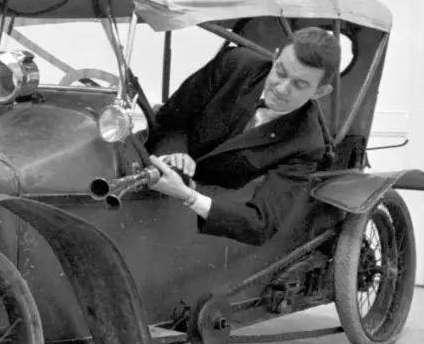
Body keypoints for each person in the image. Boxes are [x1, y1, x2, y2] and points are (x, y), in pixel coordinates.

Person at [144, 26, 341, 247]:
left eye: (299, 85)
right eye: (281, 72)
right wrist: (174, 156)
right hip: (156, 166)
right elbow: (170, 118)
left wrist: (188, 196)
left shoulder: (307, 144)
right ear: (275, 56)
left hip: (201, 219)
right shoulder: (235, 63)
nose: (282, 88)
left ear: (319, 92)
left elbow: (262, 224)